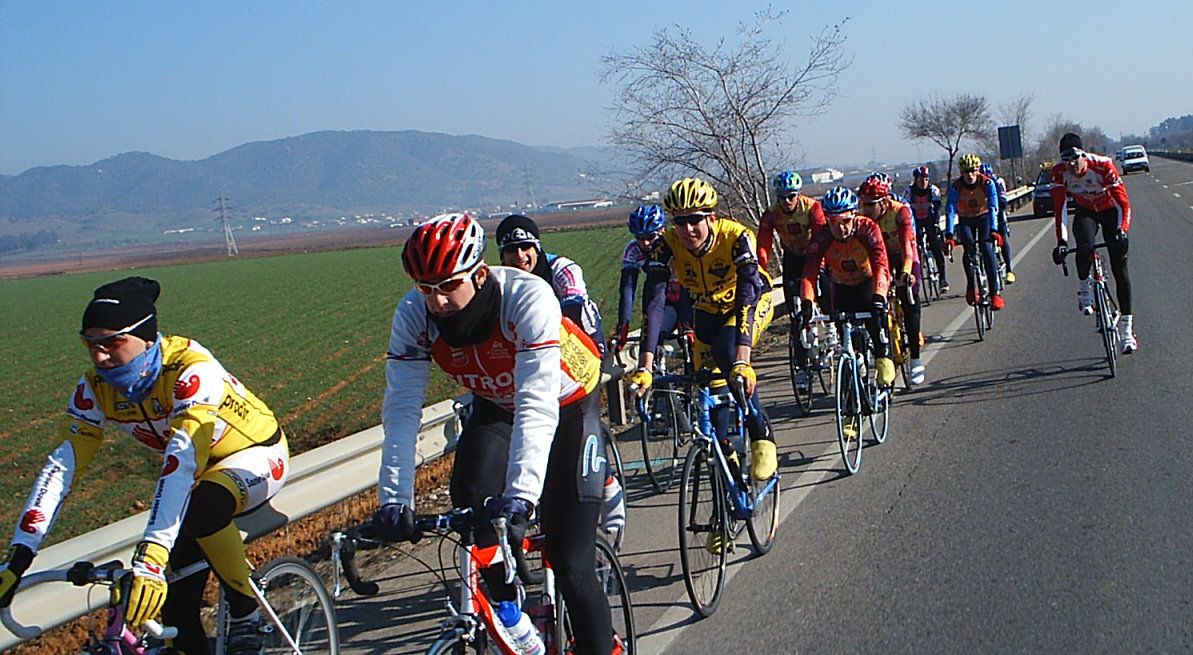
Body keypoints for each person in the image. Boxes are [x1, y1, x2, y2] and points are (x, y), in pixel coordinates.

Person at [0, 277, 288, 655]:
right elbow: (60, 469)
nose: (99, 357)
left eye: (111, 343)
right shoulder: (95, 388)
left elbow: (181, 459)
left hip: (255, 455)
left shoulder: (191, 369)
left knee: (202, 509)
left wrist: (151, 557)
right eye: (90, 345)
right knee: (175, 614)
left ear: (146, 338)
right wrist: (18, 558)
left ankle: (246, 613)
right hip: (197, 476)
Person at [376, 214, 612, 654]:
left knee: (571, 562)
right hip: (497, 406)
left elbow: (537, 403)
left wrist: (522, 495)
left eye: (449, 285)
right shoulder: (414, 314)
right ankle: (511, 616)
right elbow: (401, 411)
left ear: (480, 274)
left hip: (568, 404)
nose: (438, 300)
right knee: (471, 500)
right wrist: (394, 500)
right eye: (425, 288)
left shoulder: (527, 297)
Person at [625, 177, 778, 482]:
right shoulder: (666, 245)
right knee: (710, 386)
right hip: (707, 310)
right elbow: (653, 303)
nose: (687, 229)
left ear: (711, 217)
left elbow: (747, 295)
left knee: (727, 354)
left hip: (750, 303)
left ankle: (761, 433)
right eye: (680, 222)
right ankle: (727, 465)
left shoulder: (735, 237)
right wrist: (645, 366)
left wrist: (743, 359)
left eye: (695, 220)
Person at [801, 187, 895, 395]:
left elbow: (881, 266)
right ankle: (857, 381)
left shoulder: (868, 229)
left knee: (876, 325)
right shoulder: (822, 237)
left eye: (845, 221)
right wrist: (807, 302)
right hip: (841, 288)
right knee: (848, 341)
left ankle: (883, 360)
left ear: (854, 215)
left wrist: (880, 296)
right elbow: (809, 273)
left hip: (868, 283)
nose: (840, 228)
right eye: (833, 222)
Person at [1049, 133, 1137, 353]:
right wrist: (1061, 242)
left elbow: (1123, 205)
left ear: (1083, 155)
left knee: (1119, 267)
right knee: (1084, 245)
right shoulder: (1059, 173)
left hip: (1109, 209)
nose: (1071, 165)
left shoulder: (1103, 166)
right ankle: (1084, 290)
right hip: (1086, 210)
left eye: (1075, 158)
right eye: (1066, 160)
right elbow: (1060, 210)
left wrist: (1122, 231)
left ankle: (1127, 332)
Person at [757, 170, 827, 392]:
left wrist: (821, 266)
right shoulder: (771, 214)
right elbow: (763, 245)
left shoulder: (812, 207)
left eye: (791, 196)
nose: (787, 201)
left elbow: (822, 237)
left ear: (798, 194)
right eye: (782, 197)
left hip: (815, 255)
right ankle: (802, 369)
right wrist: (761, 271)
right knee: (796, 319)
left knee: (826, 296)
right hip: (792, 259)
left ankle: (832, 330)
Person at [496, 214, 605, 354]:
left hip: (579, 336)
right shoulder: (498, 280)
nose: (520, 255)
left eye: (525, 246)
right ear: (502, 255)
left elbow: (574, 310)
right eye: (511, 249)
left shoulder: (562, 269)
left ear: (537, 248)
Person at [859, 176, 925, 385]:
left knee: (909, 296)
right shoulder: (863, 218)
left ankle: (915, 357)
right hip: (882, 258)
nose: (866, 209)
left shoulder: (900, 211)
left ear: (884, 201)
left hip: (904, 254)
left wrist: (906, 273)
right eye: (863, 204)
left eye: (871, 205)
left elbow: (907, 248)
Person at [610, 204, 693, 353]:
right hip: (663, 301)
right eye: (639, 238)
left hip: (689, 297)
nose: (645, 243)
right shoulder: (633, 249)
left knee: (690, 340)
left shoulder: (677, 242)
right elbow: (627, 289)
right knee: (654, 337)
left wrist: (686, 320)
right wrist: (623, 324)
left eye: (650, 237)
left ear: (663, 230)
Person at [945, 154, 1005, 310]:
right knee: (968, 247)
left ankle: (994, 293)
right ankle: (971, 287)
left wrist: (994, 230)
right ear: (961, 173)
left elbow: (993, 207)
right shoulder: (956, 187)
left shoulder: (987, 183)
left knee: (986, 248)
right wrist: (949, 235)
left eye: (973, 171)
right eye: (966, 172)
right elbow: (950, 209)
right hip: (965, 219)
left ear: (978, 170)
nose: (970, 175)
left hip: (984, 217)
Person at [903, 165, 949, 293]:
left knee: (936, 246)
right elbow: (905, 211)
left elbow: (938, 208)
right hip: (916, 221)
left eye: (926, 179)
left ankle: (943, 279)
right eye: (921, 179)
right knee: (915, 246)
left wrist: (936, 222)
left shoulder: (933, 190)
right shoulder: (909, 192)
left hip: (930, 220)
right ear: (916, 180)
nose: (924, 182)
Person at [981, 162, 1016, 284]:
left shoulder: (998, 181)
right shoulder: (978, 184)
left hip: (998, 211)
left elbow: (1003, 201)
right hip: (984, 213)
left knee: (1003, 238)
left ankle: (1009, 270)